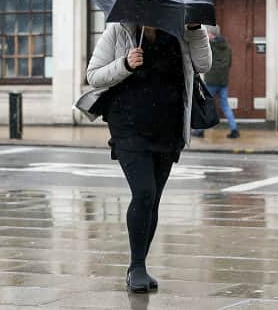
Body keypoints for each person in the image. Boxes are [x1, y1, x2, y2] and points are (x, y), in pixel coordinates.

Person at [86, 23, 211, 293]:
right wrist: (126, 64)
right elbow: (94, 76)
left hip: (167, 127)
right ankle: (137, 266)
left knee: (153, 198)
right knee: (143, 192)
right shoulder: (119, 31)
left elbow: (204, 64)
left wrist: (195, 32)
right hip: (128, 125)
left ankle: (138, 266)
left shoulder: (179, 32)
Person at [192, 25, 240, 139]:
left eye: (207, 33)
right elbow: (229, 63)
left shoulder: (209, 46)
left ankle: (200, 131)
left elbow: (204, 62)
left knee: (205, 104)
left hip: (211, 82)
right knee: (225, 106)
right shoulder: (227, 47)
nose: (206, 35)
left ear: (212, 34)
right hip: (223, 82)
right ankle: (234, 129)